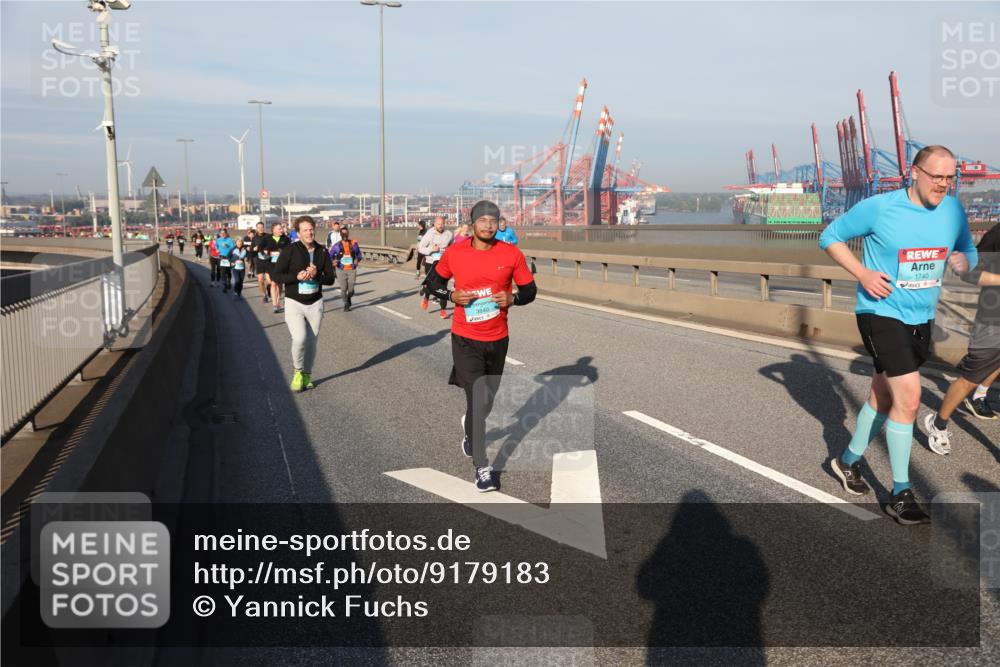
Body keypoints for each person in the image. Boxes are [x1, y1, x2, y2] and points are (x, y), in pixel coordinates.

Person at [819, 145, 977, 525]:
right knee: (909, 398)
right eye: (936, 176)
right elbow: (830, 236)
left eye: (949, 177)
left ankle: (846, 462)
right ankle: (900, 492)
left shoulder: (952, 210)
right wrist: (863, 274)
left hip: (921, 317)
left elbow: (968, 249)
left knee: (883, 396)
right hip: (880, 312)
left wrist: (963, 260)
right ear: (915, 172)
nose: (942, 184)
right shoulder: (880, 206)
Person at [424, 200, 537, 492]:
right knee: (477, 398)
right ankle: (482, 467)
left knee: (485, 403)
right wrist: (451, 297)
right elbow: (432, 283)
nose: (488, 225)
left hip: (497, 339)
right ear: (472, 223)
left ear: (499, 224)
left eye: (493, 220)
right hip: (465, 338)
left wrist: (514, 299)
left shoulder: (511, 254)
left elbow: (530, 291)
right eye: (482, 220)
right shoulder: (456, 252)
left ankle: (470, 431)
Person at [923, 222, 1000, 453]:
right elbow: (970, 274)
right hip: (992, 321)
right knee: (970, 377)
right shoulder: (996, 235)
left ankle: (980, 395)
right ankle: (938, 424)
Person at [270, 216, 336, 392]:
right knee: (299, 338)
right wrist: (295, 277)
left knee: (312, 343)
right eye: (305, 230)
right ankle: (297, 371)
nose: (309, 232)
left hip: (315, 302)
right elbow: (276, 276)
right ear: (298, 233)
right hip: (294, 302)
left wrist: (316, 275)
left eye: (311, 229)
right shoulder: (290, 250)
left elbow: (330, 279)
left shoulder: (322, 251)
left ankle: (307, 374)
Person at [418, 216, 454, 317]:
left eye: (442, 224)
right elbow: (420, 248)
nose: (441, 226)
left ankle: (443, 310)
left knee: (443, 287)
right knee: (432, 285)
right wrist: (431, 249)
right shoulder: (429, 234)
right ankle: (426, 297)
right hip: (430, 262)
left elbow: (453, 246)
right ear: (434, 224)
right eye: (439, 224)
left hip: (443, 263)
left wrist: (449, 251)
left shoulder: (449, 234)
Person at [330, 226, 361, 312]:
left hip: (351, 269)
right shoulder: (336, 246)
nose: (344, 234)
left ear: (348, 234)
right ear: (340, 234)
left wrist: (357, 260)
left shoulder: (354, 243)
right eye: (342, 233)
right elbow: (330, 256)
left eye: (345, 233)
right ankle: (346, 303)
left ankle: (348, 297)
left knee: (351, 290)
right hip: (340, 270)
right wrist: (333, 261)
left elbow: (359, 255)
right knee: (343, 289)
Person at [262, 221, 291, 313]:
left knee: (279, 284)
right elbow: (261, 250)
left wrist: (282, 252)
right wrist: (266, 254)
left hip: (282, 264)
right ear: (273, 230)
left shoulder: (286, 239)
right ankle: (275, 304)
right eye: (279, 229)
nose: (281, 230)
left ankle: (278, 301)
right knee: (273, 283)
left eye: (281, 228)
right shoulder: (267, 238)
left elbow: (289, 251)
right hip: (271, 264)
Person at [250, 222, 270, 303]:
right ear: (257, 229)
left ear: (264, 227)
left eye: (262, 227)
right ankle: (264, 295)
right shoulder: (254, 238)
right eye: (259, 227)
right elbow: (251, 250)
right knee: (260, 280)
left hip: (268, 260)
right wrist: (253, 249)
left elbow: (273, 246)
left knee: (269, 282)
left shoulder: (269, 236)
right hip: (259, 261)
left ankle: (269, 290)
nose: (261, 228)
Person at [215, 228, 236, 293]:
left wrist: (227, 246)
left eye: (224, 233)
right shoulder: (218, 240)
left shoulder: (230, 240)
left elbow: (233, 248)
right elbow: (216, 246)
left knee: (228, 271)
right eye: (221, 233)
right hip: (222, 257)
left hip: (229, 257)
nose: (223, 234)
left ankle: (229, 281)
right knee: (222, 272)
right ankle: (225, 285)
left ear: (226, 233)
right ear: (220, 234)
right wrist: (217, 250)